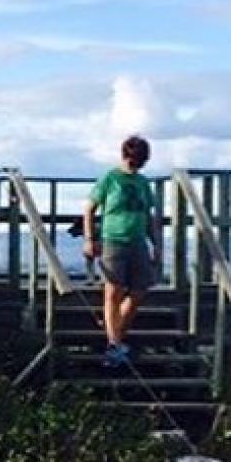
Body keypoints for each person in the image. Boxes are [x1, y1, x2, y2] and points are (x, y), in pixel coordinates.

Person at [82, 136, 163, 367]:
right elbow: (89, 208)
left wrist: (156, 244)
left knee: (139, 290)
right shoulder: (110, 179)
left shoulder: (142, 183)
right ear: (127, 156)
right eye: (136, 158)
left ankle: (114, 333)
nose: (138, 163)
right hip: (113, 240)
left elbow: (148, 216)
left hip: (137, 241)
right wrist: (89, 239)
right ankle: (114, 344)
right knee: (113, 291)